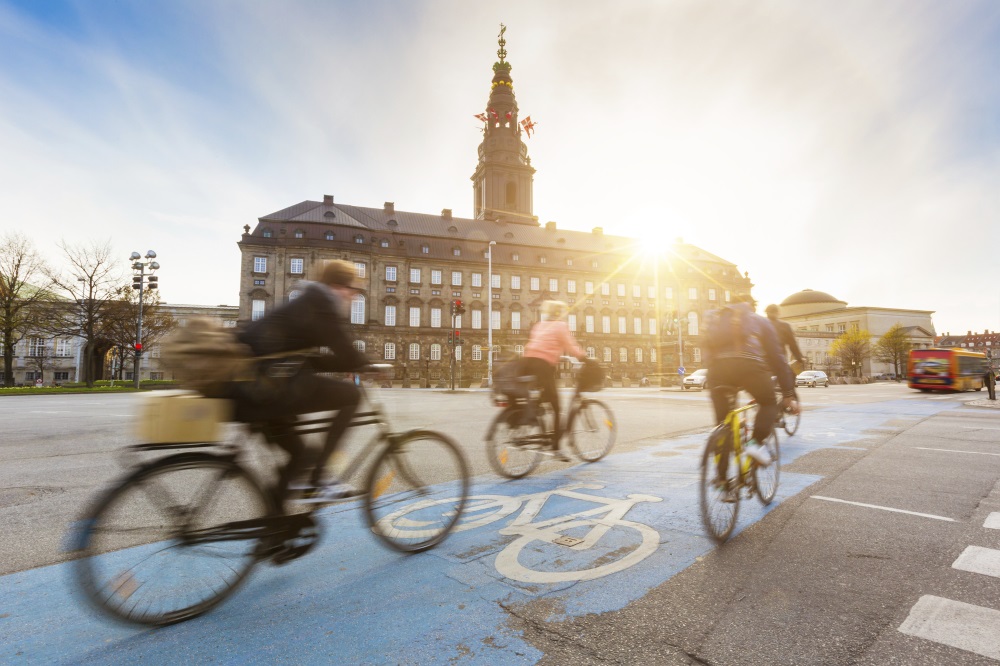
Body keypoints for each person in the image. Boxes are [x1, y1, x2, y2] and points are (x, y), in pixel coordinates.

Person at [233, 259, 369, 507]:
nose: (354, 294)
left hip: (254, 386)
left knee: (301, 457)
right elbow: (345, 352)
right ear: (338, 286)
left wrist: (350, 363)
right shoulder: (322, 304)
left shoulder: (309, 301)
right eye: (352, 288)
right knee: (351, 396)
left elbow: (311, 361)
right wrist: (364, 363)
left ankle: (275, 530)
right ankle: (319, 479)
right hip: (265, 388)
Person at [705, 295, 799, 470]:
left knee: (722, 424)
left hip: (717, 370)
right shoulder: (759, 321)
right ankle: (755, 444)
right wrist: (787, 393)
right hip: (749, 367)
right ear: (751, 306)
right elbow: (777, 359)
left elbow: (706, 348)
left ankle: (723, 483)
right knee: (769, 402)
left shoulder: (717, 318)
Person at [521, 300, 587, 460]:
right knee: (557, 407)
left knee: (542, 399)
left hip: (527, 362)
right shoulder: (560, 326)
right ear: (559, 313)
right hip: (543, 366)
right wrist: (585, 357)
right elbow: (570, 346)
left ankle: (532, 416)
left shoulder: (539, 325)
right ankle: (556, 449)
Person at [765, 304, 806, 376]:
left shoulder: (760, 324)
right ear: (777, 313)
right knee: (788, 383)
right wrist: (799, 358)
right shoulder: (784, 326)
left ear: (766, 312)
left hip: (761, 361)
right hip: (779, 361)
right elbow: (793, 344)